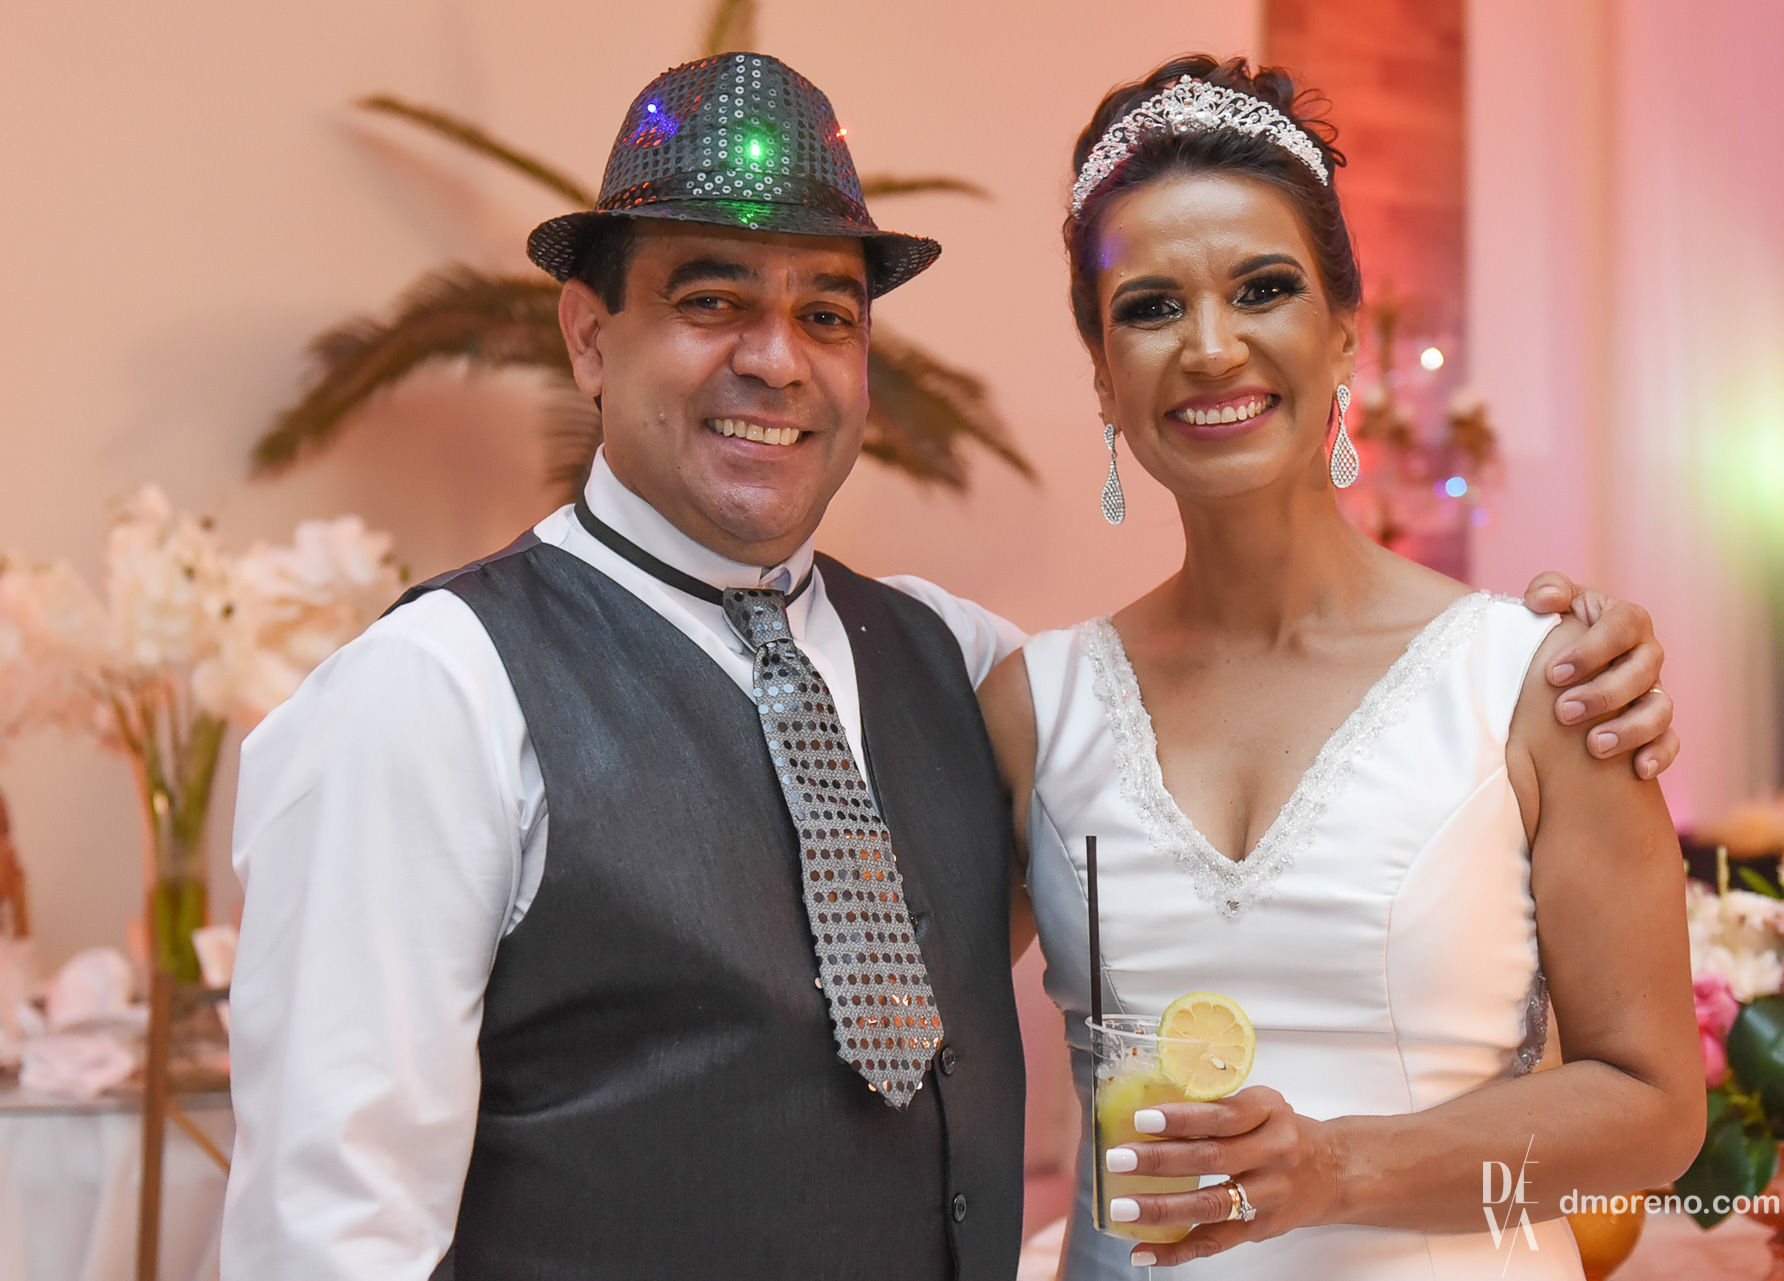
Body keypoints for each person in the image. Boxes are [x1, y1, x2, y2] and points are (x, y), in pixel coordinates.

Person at [221, 53, 1679, 1281]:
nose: (776, 361)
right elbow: (328, 1234)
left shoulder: (956, 665)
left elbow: (1650, 1102)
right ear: (589, 338)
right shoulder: (430, 697)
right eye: (711, 301)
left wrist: (1587, 656)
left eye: (827, 314)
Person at [978, 56, 1704, 1280]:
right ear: (1103, 372)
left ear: (1342, 334)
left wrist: (1339, 1169)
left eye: (1264, 289)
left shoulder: (1541, 685)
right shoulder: (1030, 707)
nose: (1212, 346)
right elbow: (890, 1032)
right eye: (1150, 308)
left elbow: (1656, 1111)